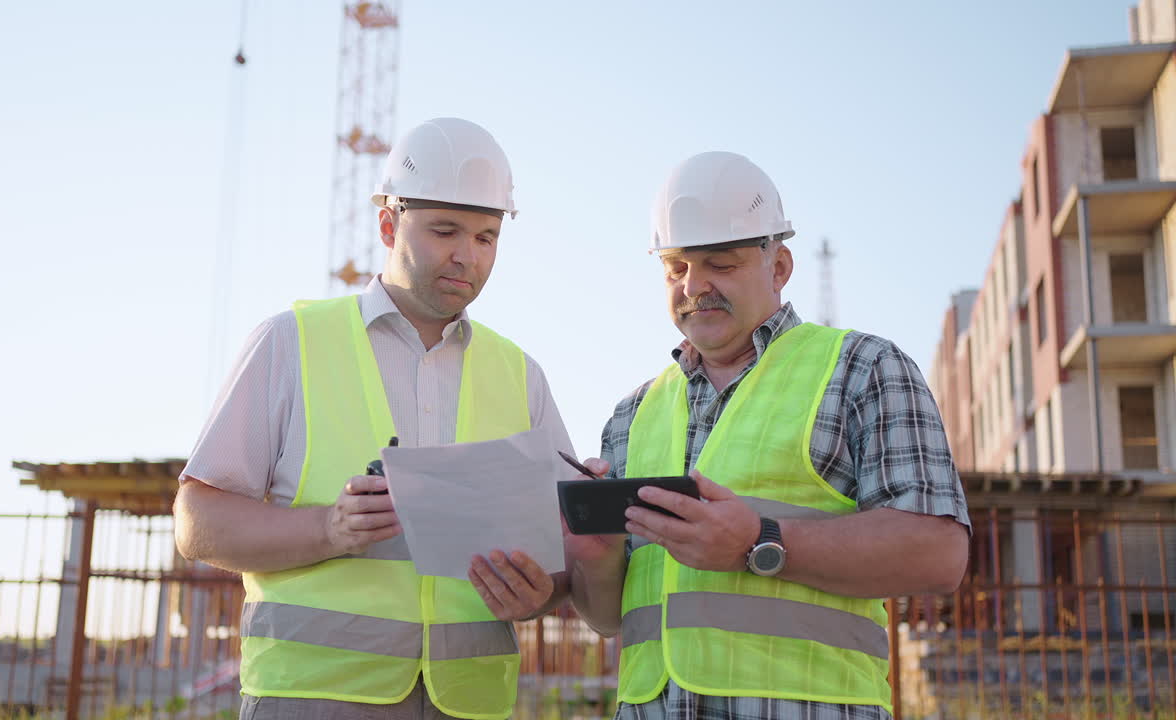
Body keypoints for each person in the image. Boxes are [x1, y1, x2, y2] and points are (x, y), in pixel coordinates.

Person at [174, 117, 575, 720]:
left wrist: (542, 591)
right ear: (389, 224)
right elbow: (196, 523)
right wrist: (329, 530)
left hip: (468, 704)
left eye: (487, 237)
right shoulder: (290, 343)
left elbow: (564, 553)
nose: (467, 256)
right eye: (445, 231)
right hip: (313, 699)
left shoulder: (522, 375)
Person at [566, 151, 971, 719]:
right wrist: (596, 558)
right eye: (676, 267)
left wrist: (760, 541)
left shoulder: (862, 369)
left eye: (720, 264)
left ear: (779, 266)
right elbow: (609, 617)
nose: (694, 285)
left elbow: (939, 553)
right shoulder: (632, 415)